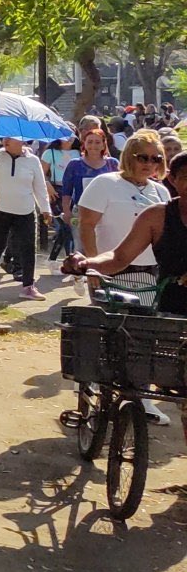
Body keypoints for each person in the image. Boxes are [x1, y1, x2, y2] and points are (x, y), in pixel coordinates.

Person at [77, 128, 173, 423]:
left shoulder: (161, 192)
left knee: (144, 337)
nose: (149, 164)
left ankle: (141, 397)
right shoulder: (104, 183)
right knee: (108, 331)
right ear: (129, 156)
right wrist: (92, 267)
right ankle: (96, 389)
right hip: (109, 271)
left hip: (147, 274)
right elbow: (86, 225)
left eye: (156, 159)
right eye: (143, 157)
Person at [69, 151, 187, 316]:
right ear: (172, 180)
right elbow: (119, 257)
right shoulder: (156, 216)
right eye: (185, 177)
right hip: (170, 311)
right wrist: (87, 263)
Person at [0, 135, 52, 300]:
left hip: (25, 211)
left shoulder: (33, 160)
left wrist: (45, 209)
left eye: (10, 138)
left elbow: (40, 187)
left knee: (28, 248)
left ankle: (28, 286)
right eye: (4, 137)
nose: (5, 141)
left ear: (22, 140)